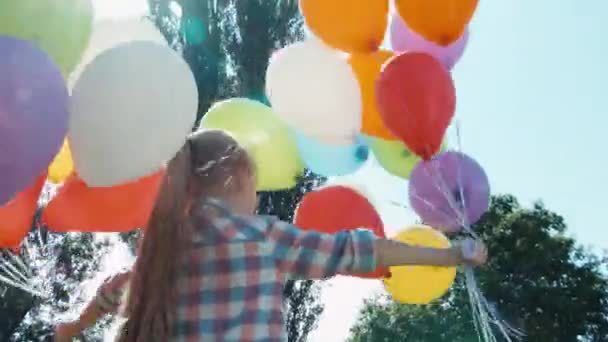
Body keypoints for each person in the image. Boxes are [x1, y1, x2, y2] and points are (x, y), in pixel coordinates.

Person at [57, 129, 488, 342]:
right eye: (256, 184)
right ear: (237, 177)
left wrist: (74, 328)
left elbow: (110, 295)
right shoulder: (262, 237)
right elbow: (358, 250)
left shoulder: (162, 253)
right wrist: (450, 256)